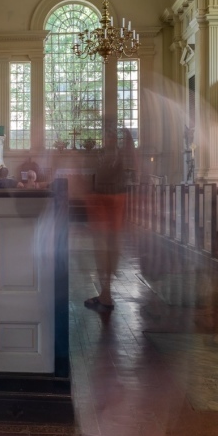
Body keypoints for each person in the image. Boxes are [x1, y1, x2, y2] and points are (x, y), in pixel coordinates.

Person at [83, 128, 133, 313]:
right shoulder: (119, 153)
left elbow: (96, 174)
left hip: (104, 197)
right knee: (112, 242)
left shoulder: (103, 154)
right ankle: (106, 291)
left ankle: (106, 293)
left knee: (102, 244)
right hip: (116, 197)